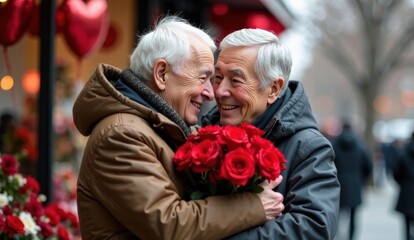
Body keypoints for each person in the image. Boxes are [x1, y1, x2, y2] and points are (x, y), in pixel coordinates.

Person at [72, 16, 284, 240]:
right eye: (203, 78)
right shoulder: (120, 135)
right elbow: (170, 226)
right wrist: (253, 206)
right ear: (161, 73)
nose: (211, 93)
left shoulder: (161, 127)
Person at [201, 28, 340, 239]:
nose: (219, 91)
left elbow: (313, 229)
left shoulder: (309, 147)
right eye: (218, 77)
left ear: (274, 88)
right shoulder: (203, 134)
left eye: (236, 80)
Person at [331, 121, 372, 240]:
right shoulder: (360, 146)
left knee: (336, 215)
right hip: (355, 184)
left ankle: (337, 236)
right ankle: (351, 237)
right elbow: (368, 166)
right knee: (354, 216)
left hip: (337, 184)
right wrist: (361, 180)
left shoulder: (333, 146)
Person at [392, 129, 414, 240]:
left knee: (406, 224)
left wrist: (403, 183)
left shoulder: (403, 154)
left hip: (407, 193)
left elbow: (396, 172)